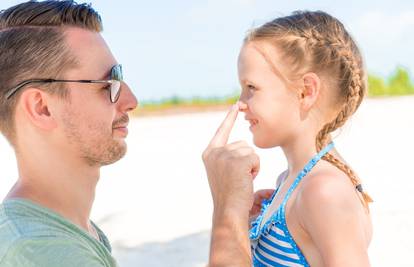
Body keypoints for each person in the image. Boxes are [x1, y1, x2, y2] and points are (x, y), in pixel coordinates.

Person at [203, 11, 373, 266]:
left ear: (306, 92)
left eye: (251, 88)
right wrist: (241, 218)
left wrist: (225, 207)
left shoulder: (323, 190)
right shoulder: (288, 181)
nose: (240, 103)